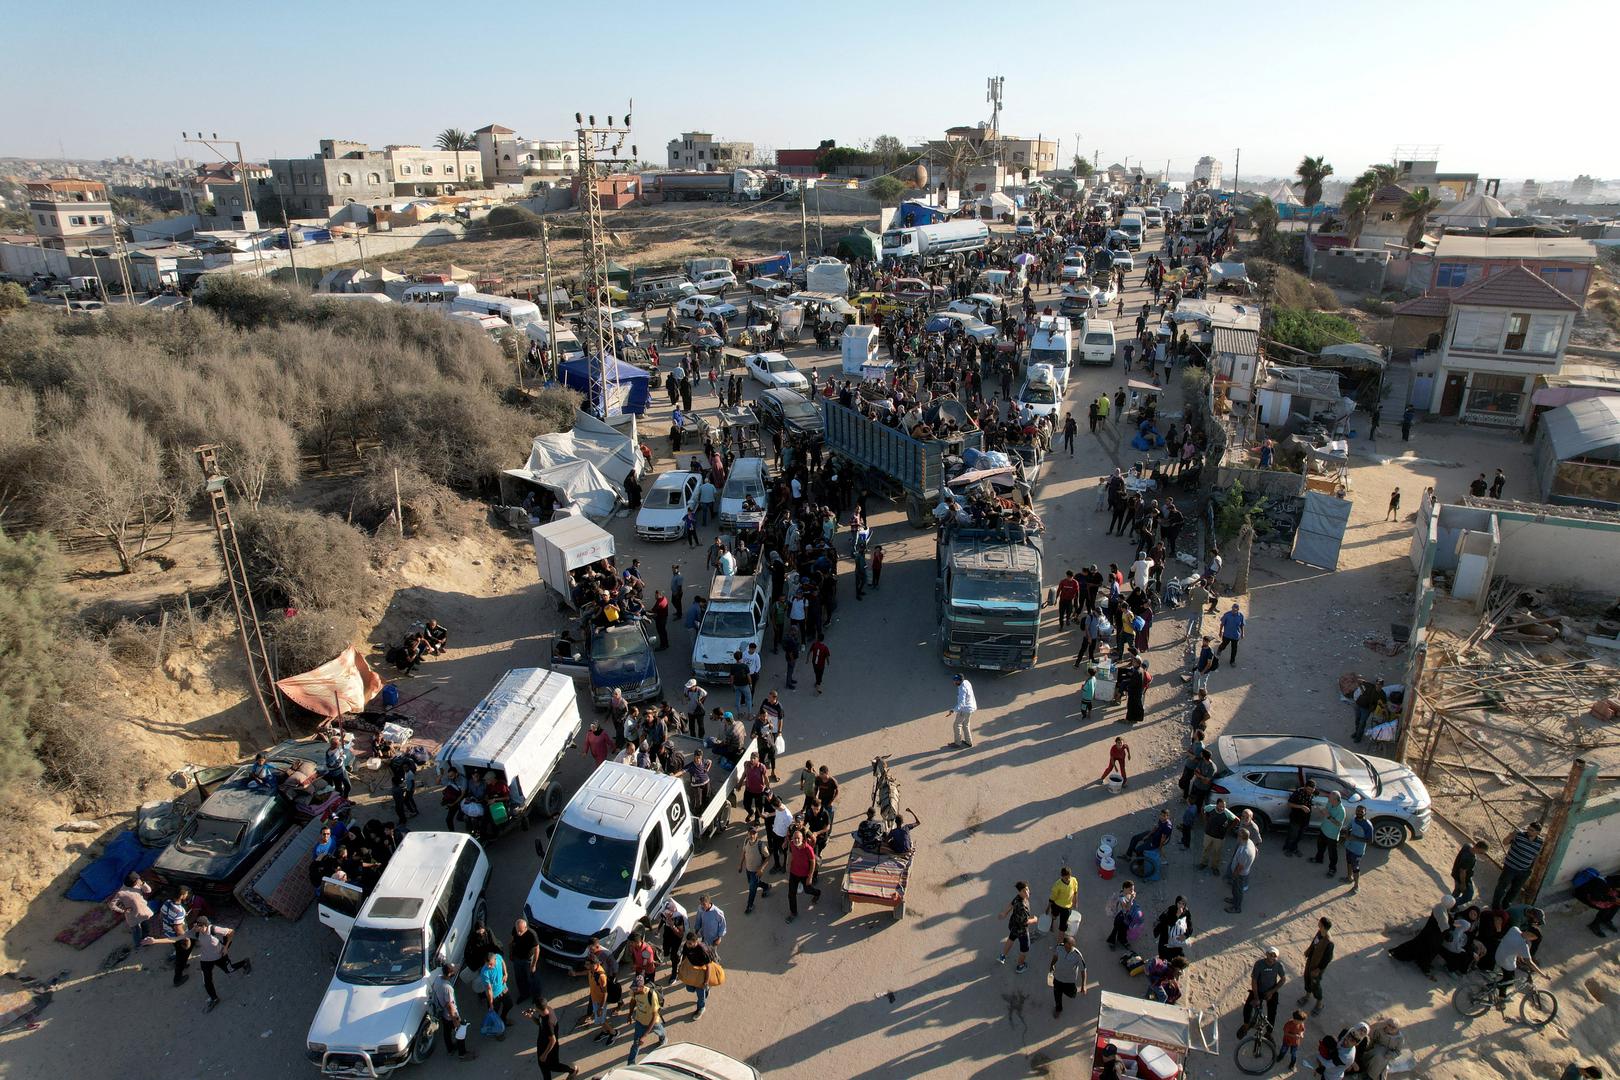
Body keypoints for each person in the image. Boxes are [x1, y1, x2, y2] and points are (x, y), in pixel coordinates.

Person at [190, 916, 251, 1011]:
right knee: (207, 980)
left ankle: (244, 963)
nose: (195, 927)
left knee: (229, 970)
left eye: (197, 926)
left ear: (204, 926)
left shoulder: (214, 929)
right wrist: (157, 941)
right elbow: (177, 938)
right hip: (206, 960)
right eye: (195, 925)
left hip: (220, 956)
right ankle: (214, 999)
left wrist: (226, 947)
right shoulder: (197, 931)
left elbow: (231, 932)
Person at [1388, 894, 1454, 976]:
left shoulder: (1440, 907)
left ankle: (1398, 953)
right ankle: (1422, 965)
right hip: (1434, 936)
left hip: (1430, 933)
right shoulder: (1441, 911)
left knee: (1418, 945)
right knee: (1427, 950)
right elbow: (1444, 926)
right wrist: (1450, 930)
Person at [1235, 945, 1286, 1039]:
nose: (1273, 958)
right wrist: (1256, 997)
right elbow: (1254, 981)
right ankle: (1246, 1025)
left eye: (1275, 956)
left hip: (1271, 991)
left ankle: (1269, 1033)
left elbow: (1283, 979)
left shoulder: (1278, 966)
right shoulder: (1259, 964)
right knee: (1248, 1007)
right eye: (1271, 955)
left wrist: (1271, 992)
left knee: (1272, 1011)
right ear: (1266, 954)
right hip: (1258, 990)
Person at [431, 963, 478, 1062]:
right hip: (450, 1016)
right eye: (454, 969)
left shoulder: (438, 978)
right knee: (460, 1033)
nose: (456, 969)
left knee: (447, 1032)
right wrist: (456, 1020)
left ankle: (450, 1049)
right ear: (450, 974)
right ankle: (462, 1054)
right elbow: (450, 1006)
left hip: (442, 1013)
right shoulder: (447, 988)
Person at [1492, 821, 1544, 909]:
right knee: (1502, 886)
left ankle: (1506, 904)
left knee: (1515, 889)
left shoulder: (1540, 842)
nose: (1528, 831)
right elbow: (1505, 842)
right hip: (1510, 867)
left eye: (1532, 830)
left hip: (1524, 870)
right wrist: (1512, 835)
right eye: (1528, 829)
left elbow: (1537, 856)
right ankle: (1495, 904)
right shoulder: (1519, 835)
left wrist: (1531, 869)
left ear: (1538, 833)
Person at [527, 998, 574, 1079]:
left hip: (549, 1048)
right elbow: (540, 1023)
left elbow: (553, 1040)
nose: (534, 1008)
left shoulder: (548, 1023)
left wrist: (544, 1055)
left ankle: (572, 1070)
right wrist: (531, 1017)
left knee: (553, 1067)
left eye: (535, 1007)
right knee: (547, 1068)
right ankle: (572, 1070)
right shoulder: (547, 1010)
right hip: (543, 1044)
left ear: (538, 1008)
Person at [998, 881, 1039, 972]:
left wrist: (1004, 913)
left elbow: (1011, 905)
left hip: (1014, 925)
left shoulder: (1018, 898)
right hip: (1022, 930)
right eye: (1024, 891)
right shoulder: (1022, 907)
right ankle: (1020, 966)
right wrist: (1035, 920)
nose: (1027, 892)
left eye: (1027, 889)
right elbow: (1025, 922)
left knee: (1011, 938)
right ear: (1020, 892)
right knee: (1025, 948)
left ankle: (1002, 956)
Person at [625, 976, 667, 1066]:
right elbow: (633, 1001)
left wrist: (645, 1035)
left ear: (642, 986)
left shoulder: (651, 995)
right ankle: (631, 1064)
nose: (634, 990)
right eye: (633, 988)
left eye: (636, 988)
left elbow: (654, 1016)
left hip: (653, 1022)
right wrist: (630, 1014)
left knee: (661, 1032)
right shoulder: (634, 992)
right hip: (640, 1020)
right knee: (636, 1044)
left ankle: (663, 1039)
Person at [108, 870, 154, 953]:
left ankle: (146, 941)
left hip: (143, 912)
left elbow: (148, 890)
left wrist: (143, 883)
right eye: (137, 880)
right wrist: (123, 910)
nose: (138, 881)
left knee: (146, 928)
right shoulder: (121, 893)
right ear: (132, 882)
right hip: (132, 916)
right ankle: (138, 945)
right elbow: (112, 905)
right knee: (136, 932)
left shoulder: (138, 886)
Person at [1298, 917, 1334, 1015]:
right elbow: (1314, 943)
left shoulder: (1329, 942)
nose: (1318, 923)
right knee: (1307, 978)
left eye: (1320, 923)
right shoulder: (1319, 932)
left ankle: (1319, 1004)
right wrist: (1308, 950)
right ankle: (1307, 996)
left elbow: (1328, 959)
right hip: (1311, 961)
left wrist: (1318, 970)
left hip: (1317, 967)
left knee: (1315, 985)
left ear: (1323, 926)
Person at [677, 930, 717, 1018]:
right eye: (687, 942)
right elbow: (684, 956)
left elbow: (709, 967)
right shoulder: (686, 946)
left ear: (696, 942)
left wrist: (706, 982)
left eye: (690, 943)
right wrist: (681, 968)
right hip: (693, 970)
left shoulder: (703, 950)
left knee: (700, 992)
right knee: (690, 988)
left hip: (703, 971)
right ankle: (705, 991)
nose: (688, 945)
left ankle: (701, 1008)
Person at [1048, 933, 1087, 1019]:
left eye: (1071, 947)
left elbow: (1083, 970)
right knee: (1057, 993)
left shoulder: (1077, 955)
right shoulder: (1059, 947)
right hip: (1058, 977)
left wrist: (1083, 985)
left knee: (1072, 994)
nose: (1069, 949)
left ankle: (1066, 992)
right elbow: (1055, 957)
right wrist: (1051, 965)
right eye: (1067, 947)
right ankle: (1058, 1009)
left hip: (1069, 980)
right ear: (1064, 944)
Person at [738, 825, 773, 913]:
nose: (752, 835)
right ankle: (767, 886)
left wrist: (761, 868)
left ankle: (750, 905)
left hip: (756, 872)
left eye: (754, 833)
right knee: (753, 883)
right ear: (747, 834)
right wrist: (740, 865)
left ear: (757, 834)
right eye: (750, 833)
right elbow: (744, 852)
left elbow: (768, 857)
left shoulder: (761, 845)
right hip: (748, 869)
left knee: (752, 888)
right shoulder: (746, 841)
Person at [1312, 791, 1347, 875]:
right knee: (1320, 847)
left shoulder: (1341, 811)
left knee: (1332, 853)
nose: (1328, 798)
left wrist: (1328, 816)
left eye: (1330, 797)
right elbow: (1325, 812)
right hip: (1323, 829)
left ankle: (1332, 868)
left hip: (1332, 835)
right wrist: (1321, 809)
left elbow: (1338, 824)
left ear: (1335, 799)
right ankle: (1318, 859)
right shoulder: (1330, 802)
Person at [1282, 779, 1317, 857]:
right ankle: (1287, 848)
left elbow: (1321, 793)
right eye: (1308, 789)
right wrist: (1301, 806)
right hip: (1296, 818)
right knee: (1292, 834)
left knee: (1300, 835)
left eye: (1312, 790)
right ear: (1305, 787)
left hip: (1305, 819)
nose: (1310, 791)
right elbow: (1289, 804)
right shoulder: (1298, 792)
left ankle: (1294, 848)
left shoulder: (1313, 792)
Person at [1226, 829, 1258, 914]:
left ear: (1241, 837)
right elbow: (1256, 850)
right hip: (1240, 872)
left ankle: (1237, 908)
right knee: (1235, 888)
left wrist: (1234, 875)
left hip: (1239, 874)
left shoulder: (1245, 851)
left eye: (1238, 835)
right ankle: (1234, 899)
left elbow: (1240, 866)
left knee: (1238, 890)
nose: (1237, 836)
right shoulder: (1249, 842)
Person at [1343, 806, 1374, 892]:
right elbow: (1348, 827)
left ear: (1365, 813)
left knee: (1355, 867)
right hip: (1349, 846)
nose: (1359, 813)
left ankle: (1356, 886)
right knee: (1348, 862)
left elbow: (1370, 841)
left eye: (1361, 811)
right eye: (1358, 811)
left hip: (1358, 850)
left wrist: (1355, 838)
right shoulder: (1354, 819)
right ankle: (1349, 877)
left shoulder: (1368, 825)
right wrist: (1346, 834)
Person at [510, 918, 541, 1006]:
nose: (519, 933)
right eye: (517, 930)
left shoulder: (532, 934)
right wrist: (511, 953)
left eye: (521, 931)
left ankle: (536, 997)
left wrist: (534, 964)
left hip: (528, 960)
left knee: (532, 978)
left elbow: (537, 950)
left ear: (526, 928)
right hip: (517, 959)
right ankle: (524, 994)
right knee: (519, 978)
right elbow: (511, 942)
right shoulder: (515, 930)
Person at [1154, 897, 1192, 962]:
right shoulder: (1171, 909)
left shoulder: (1186, 912)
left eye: (1183, 904)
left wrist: (1186, 935)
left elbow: (1190, 925)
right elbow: (1165, 921)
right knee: (1163, 950)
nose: (1180, 905)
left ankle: (1177, 963)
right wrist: (1177, 915)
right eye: (1179, 903)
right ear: (1176, 903)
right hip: (1166, 933)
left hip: (1177, 935)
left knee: (1177, 950)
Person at [1452, 838, 1489, 904]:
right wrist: (1463, 884)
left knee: (1457, 892)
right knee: (1468, 896)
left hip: (1456, 873)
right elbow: (1462, 872)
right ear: (1479, 848)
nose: (1483, 854)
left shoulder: (1468, 845)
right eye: (1482, 852)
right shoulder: (1470, 858)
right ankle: (1451, 905)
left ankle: (1450, 904)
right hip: (1461, 878)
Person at [1105, 880, 1138, 949]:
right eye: (1131, 889)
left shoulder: (1128, 894)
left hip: (1127, 916)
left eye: (1133, 889)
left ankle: (1122, 939)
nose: (1132, 891)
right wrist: (1132, 899)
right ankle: (1111, 942)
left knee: (1125, 929)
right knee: (1116, 930)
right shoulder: (1121, 897)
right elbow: (1127, 909)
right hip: (1120, 917)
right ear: (1124, 888)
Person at [948, 673, 977, 748]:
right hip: (971, 708)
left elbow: (962, 703)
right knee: (966, 725)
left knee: (957, 725)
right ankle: (968, 742)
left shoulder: (962, 690)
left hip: (964, 710)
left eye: (955, 681)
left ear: (960, 681)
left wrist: (953, 710)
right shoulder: (967, 682)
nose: (954, 682)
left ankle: (957, 743)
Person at [1046, 867, 1079, 934]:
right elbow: (1052, 898)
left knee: (1064, 922)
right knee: (1054, 916)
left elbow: (1075, 892)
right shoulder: (1057, 885)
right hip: (1057, 905)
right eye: (1066, 878)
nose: (1068, 879)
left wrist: (1075, 901)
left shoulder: (1074, 880)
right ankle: (1052, 924)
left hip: (1067, 907)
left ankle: (1062, 931)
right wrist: (1048, 908)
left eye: (1069, 877)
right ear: (1062, 877)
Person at [1217, 601, 1244, 666]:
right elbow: (1222, 624)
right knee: (1224, 645)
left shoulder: (1241, 616)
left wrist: (1243, 633)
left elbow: (1242, 625)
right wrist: (1220, 632)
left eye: (1235, 609)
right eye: (1232, 609)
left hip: (1235, 636)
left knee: (1234, 649)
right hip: (1227, 635)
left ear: (1238, 610)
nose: (1233, 610)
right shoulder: (1227, 615)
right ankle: (1220, 649)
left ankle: (1232, 661)